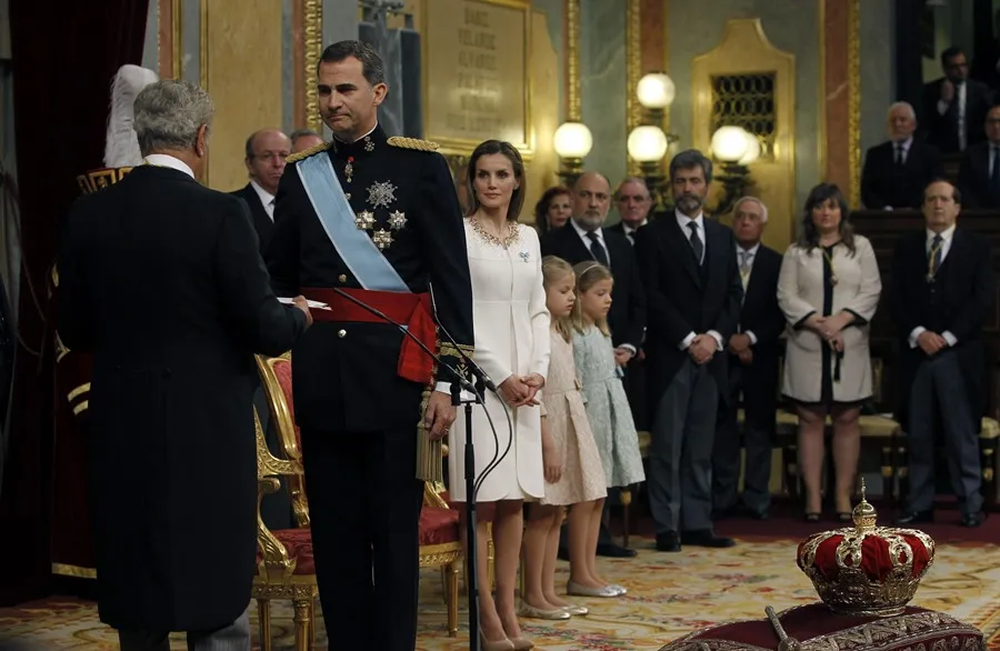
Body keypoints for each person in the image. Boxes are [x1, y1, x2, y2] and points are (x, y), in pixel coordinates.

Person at [57, 79, 311, 651]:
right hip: (207, 430)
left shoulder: (88, 215)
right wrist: (296, 315)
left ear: (142, 135)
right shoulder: (221, 214)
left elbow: (72, 329)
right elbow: (264, 328)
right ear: (201, 138)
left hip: (122, 422)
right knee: (214, 585)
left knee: (137, 574)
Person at [265, 41, 474, 651]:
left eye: (345, 90)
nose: (333, 103)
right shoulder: (304, 175)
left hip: (398, 379)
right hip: (324, 375)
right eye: (325, 91)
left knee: (391, 531)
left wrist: (446, 383)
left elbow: (450, 281)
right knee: (335, 533)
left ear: (377, 93)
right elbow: (278, 277)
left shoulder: (421, 167)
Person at [447, 139, 549, 651]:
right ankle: (486, 618)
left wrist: (536, 372)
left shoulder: (529, 235)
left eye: (501, 174)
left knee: (515, 503)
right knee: (481, 505)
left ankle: (510, 613)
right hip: (478, 387)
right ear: (472, 181)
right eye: (482, 174)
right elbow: (455, 316)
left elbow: (539, 311)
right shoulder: (458, 236)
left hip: (525, 391)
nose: (491, 183)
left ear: (515, 180)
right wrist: (500, 375)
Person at [633, 149, 742, 552]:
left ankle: (698, 522)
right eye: (680, 182)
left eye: (695, 181)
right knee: (668, 447)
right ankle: (667, 525)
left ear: (708, 187)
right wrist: (688, 338)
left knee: (701, 446)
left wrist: (713, 337)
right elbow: (651, 295)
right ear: (671, 186)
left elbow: (734, 294)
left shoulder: (722, 235)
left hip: (712, 357)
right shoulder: (652, 234)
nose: (688, 189)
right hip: (671, 355)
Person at [777, 183, 881, 522]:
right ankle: (812, 499)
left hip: (848, 344)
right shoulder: (796, 252)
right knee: (810, 418)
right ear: (811, 213)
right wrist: (820, 325)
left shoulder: (860, 248)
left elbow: (870, 291)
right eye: (820, 206)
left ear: (842, 213)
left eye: (832, 207)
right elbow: (786, 295)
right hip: (807, 344)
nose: (826, 212)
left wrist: (839, 322)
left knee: (847, 418)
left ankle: (841, 496)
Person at [893, 179, 993, 528]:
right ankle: (920, 504)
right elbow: (897, 299)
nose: (937, 205)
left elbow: (982, 300)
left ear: (957, 207)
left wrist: (947, 337)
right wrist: (920, 334)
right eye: (931, 199)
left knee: (961, 433)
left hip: (958, 354)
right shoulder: (905, 248)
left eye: (944, 199)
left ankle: (970, 504)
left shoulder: (978, 248)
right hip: (917, 354)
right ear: (923, 207)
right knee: (919, 434)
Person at [520, 256, 606, 621]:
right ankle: (531, 594)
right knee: (542, 514)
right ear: (541, 292)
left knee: (557, 514)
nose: (572, 297)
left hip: (570, 420)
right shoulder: (534, 334)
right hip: (547, 426)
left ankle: (548, 591)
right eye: (564, 290)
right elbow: (535, 392)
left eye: (573, 290)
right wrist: (547, 443)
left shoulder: (561, 329)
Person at [570, 261, 644, 589]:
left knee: (599, 497)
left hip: (608, 417)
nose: (608, 300)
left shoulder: (601, 329)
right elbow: (578, 384)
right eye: (600, 293)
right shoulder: (573, 335)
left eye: (609, 293)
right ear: (579, 295)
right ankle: (579, 573)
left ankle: (589, 569)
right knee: (585, 498)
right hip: (589, 420)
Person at [711, 197, 785, 521]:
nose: (745, 221)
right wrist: (728, 339)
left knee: (759, 428)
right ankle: (723, 497)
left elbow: (781, 312)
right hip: (722, 354)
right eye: (739, 216)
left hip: (761, 356)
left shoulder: (776, 262)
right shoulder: (719, 256)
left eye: (752, 217)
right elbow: (713, 304)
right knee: (723, 427)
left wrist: (750, 338)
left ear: (762, 225)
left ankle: (757, 499)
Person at [230, 128, 291, 255]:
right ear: (250, 164)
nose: (277, 163)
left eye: (284, 155)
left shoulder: (303, 204)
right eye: (267, 156)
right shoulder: (231, 206)